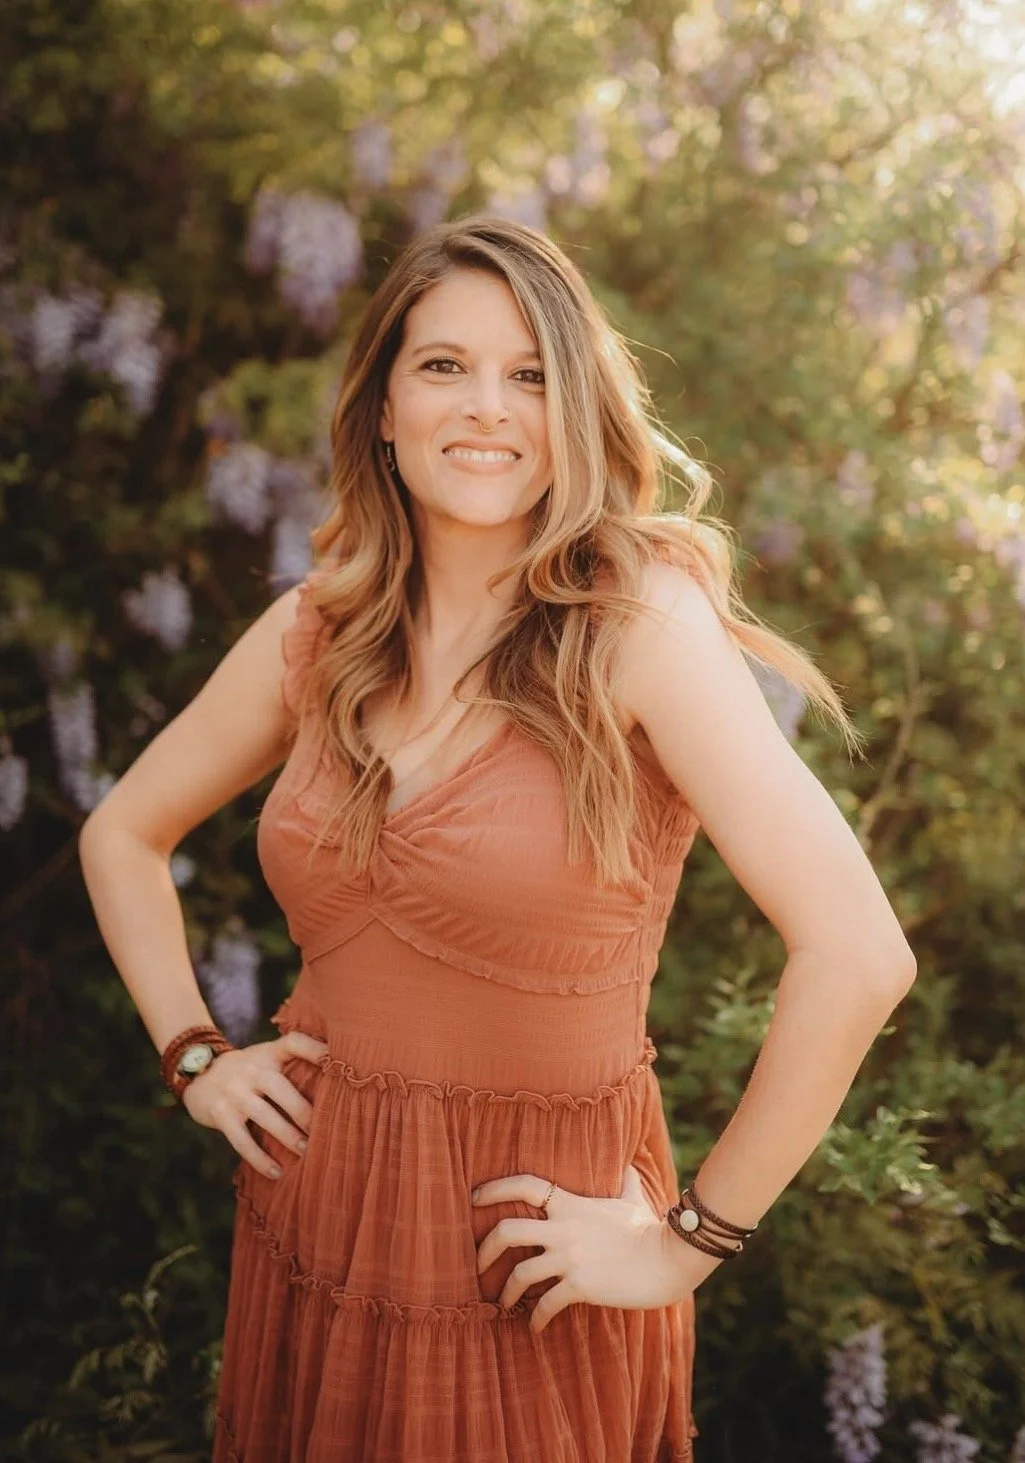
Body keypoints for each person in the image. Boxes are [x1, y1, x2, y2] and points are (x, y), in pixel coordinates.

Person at [78, 214, 917, 1462]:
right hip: (316, 1217)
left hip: (530, 1255)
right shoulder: (322, 628)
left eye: (529, 374)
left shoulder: (636, 626)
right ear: (381, 406)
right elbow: (122, 832)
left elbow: (857, 953)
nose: (487, 407)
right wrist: (197, 1054)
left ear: (575, 407)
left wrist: (686, 1241)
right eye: (443, 366)